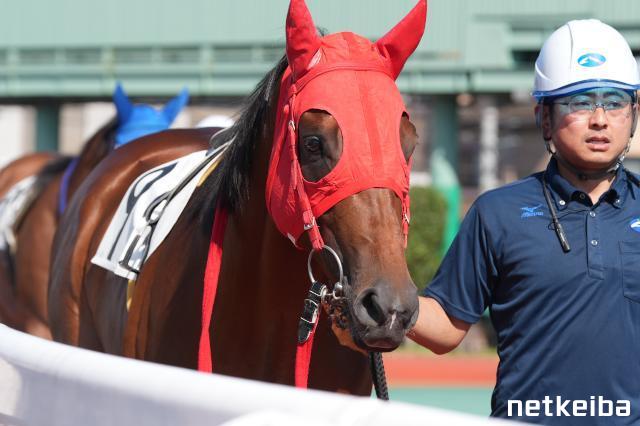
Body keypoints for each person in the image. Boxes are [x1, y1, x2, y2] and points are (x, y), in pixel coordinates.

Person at [408, 19, 640, 425]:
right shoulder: (497, 212)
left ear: (633, 113)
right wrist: (380, 304)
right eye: (580, 102)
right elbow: (446, 325)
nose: (600, 119)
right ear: (544, 117)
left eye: (615, 101)